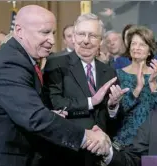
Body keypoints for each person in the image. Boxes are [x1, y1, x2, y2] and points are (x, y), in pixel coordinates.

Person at [0, 5, 111, 166]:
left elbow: (26, 109)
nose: (52, 40)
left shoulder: (21, 59)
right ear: (19, 31)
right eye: (45, 32)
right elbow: (34, 117)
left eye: (53, 33)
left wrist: (50, 113)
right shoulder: (11, 63)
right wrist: (86, 136)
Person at [43, 13, 129, 165]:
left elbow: (115, 122)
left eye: (93, 35)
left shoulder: (108, 71)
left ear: (101, 41)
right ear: (74, 37)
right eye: (82, 34)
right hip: (67, 153)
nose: (86, 41)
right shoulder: (56, 64)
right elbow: (55, 103)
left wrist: (112, 107)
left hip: (99, 155)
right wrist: (91, 101)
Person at [113, 26, 157, 146]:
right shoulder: (118, 74)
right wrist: (138, 88)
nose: (136, 48)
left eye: (142, 44)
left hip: (152, 140)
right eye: (134, 44)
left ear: (149, 50)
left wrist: (153, 85)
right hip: (125, 140)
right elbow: (117, 112)